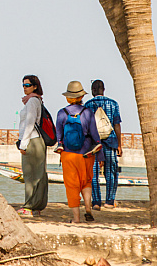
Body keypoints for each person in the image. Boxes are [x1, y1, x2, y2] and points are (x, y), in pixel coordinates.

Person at [55, 80, 102, 224]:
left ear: (68, 97)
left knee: (72, 186)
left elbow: (59, 135)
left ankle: (76, 219)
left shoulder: (62, 113)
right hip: (86, 154)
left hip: (68, 155)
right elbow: (95, 134)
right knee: (86, 182)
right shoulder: (87, 112)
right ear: (81, 96)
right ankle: (88, 209)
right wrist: (99, 151)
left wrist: (61, 145)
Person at [85, 80, 122, 210]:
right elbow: (117, 124)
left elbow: (85, 126)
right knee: (111, 171)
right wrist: (119, 144)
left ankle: (96, 202)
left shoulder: (88, 105)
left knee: (93, 172)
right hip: (110, 142)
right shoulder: (113, 104)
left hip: (93, 144)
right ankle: (110, 201)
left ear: (92, 90)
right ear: (104, 89)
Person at [16, 74, 49, 217]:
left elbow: (29, 123)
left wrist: (23, 144)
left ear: (35, 86)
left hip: (32, 141)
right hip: (37, 141)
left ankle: (28, 206)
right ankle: (37, 205)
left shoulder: (31, 102)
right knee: (39, 174)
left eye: (28, 85)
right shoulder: (36, 101)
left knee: (30, 175)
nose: (25, 88)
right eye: (23, 85)